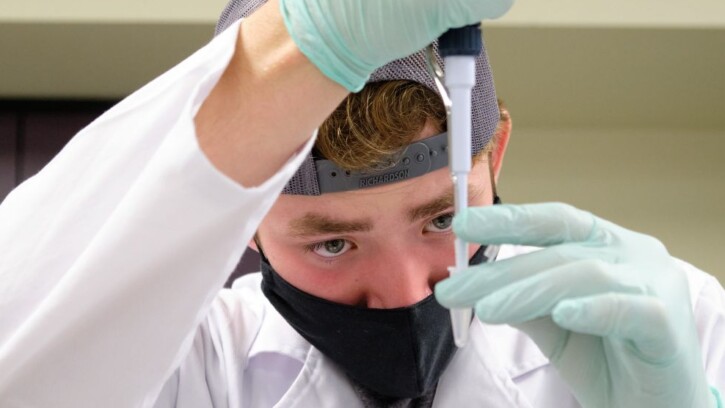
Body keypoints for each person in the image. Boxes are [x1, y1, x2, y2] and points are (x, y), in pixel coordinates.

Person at [0, 0, 722, 407]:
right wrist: (308, 44)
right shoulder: (189, 366)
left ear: (493, 156)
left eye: (442, 218)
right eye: (332, 243)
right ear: (243, 223)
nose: (408, 290)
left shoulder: (666, 326)